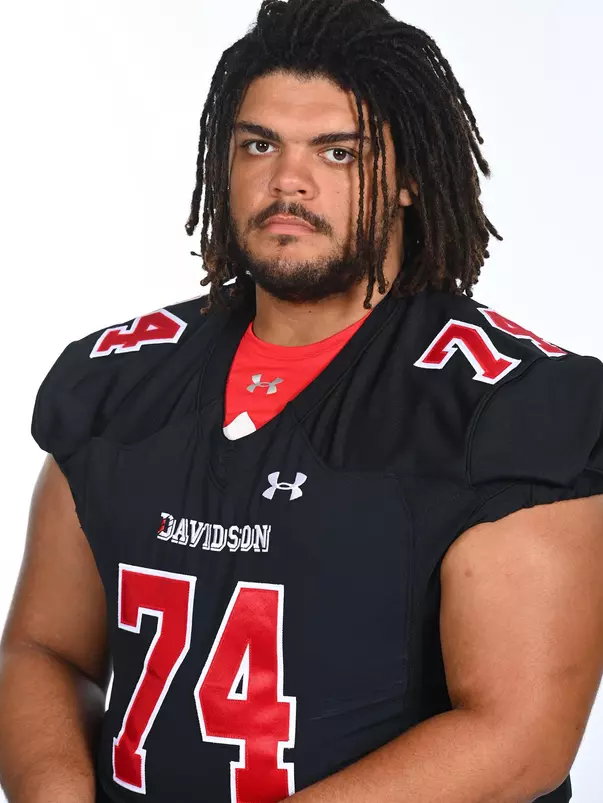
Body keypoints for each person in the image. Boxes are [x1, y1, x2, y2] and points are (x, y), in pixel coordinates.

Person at [1, 0, 603, 801]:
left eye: (338, 152)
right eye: (259, 144)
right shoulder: (117, 376)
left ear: (411, 177)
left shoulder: (512, 403)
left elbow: (517, 738)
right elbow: (43, 649)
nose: (289, 179)